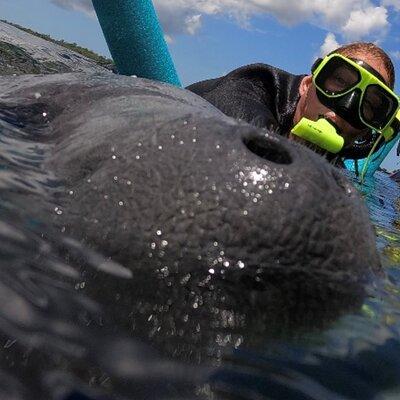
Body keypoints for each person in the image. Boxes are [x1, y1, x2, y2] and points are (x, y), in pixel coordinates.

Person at [187, 42, 398, 163]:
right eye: (340, 81)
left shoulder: (340, 161)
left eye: (368, 106)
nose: (344, 108)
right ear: (307, 84)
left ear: (364, 132)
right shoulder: (256, 83)